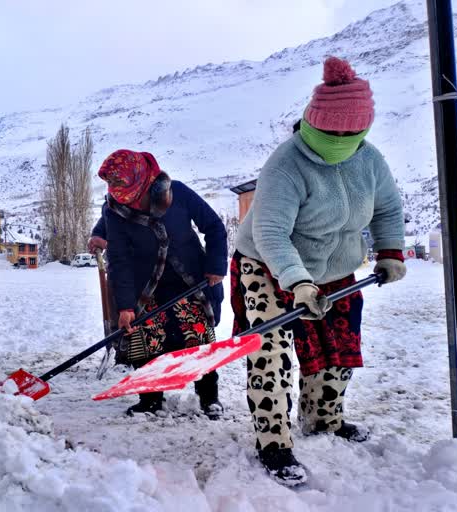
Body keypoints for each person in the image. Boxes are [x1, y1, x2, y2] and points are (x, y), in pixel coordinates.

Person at [232, 57, 406, 486]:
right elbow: (271, 232)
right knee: (269, 352)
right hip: (269, 265)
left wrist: (391, 251)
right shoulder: (287, 164)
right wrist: (297, 281)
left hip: (335, 268)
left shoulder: (370, 161)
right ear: (313, 122)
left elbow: (386, 208)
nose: (341, 139)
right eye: (332, 132)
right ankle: (273, 440)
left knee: (338, 345)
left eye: (351, 133)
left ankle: (325, 418)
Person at [98, 149, 228, 419]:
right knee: (145, 338)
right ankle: (149, 400)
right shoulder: (114, 211)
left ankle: (208, 397)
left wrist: (215, 266)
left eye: (125, 188)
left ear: (142, 180)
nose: (120, 194)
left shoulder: (176, 192)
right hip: (145, 285)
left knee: (197, 336)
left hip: (189, 279)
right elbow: (119, 259)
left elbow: (214, 226)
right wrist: (124, 306)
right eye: (113, 186)